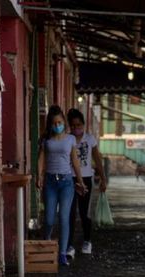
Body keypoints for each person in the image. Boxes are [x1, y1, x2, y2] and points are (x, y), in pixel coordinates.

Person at [37, 105, 87, 266]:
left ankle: (63, 253)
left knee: (64, 218)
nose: (57, 125)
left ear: (64, 122)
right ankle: (46, 242)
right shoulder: (46, 140)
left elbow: (75, 161)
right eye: (54, 123)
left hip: (66, 182)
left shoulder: (70, 139)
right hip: (50, 182)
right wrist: (39, 177)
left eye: (59, 122)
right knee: (50, 218)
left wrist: (80, 181)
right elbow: (41, 159)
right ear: (50, 124)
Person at [66, 108, 107, 258]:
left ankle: (87, 241)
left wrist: (103, 178)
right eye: (73, 126)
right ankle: (69, 244)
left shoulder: (90, 139)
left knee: (84, 212)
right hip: (69, 179)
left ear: (83, 125)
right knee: (69, 213)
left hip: (86, 179)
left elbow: (97, 159)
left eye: (79, 125)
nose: (76, 128)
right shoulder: (67, 139)